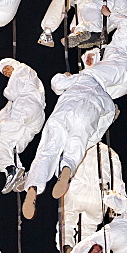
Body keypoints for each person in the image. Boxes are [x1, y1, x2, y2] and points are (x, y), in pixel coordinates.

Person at [21, 69, 116, 221]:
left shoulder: (80, 78)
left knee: (47, 151)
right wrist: (87, 142)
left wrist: (65, 76)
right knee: (75, 149)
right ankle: (67, 169)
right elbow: (100, 129)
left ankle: (33, 187)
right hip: (87, 114)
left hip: (65, 110)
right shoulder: (108, 100)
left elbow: (55, 83)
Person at [0, 59, 45, 194]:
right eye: (4, 72)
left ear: (12, 63)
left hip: (25, 107)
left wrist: (7, 90)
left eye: (6, 68)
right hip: (35, 116)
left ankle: (11, 170)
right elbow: (7, 110)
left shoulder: (22, 69)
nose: (6, 73)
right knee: (12, 146)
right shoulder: (27, 85)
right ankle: (22, 177)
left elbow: (10, 94)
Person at [59, 142, 126, 250]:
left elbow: (63, 169)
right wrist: (120, 208)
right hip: (98, 197)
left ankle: (66, 245)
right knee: (88, 230)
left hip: (77, 190)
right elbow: (118, 184)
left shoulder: (76, 146)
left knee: (67, 222)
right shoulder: (111, 153)